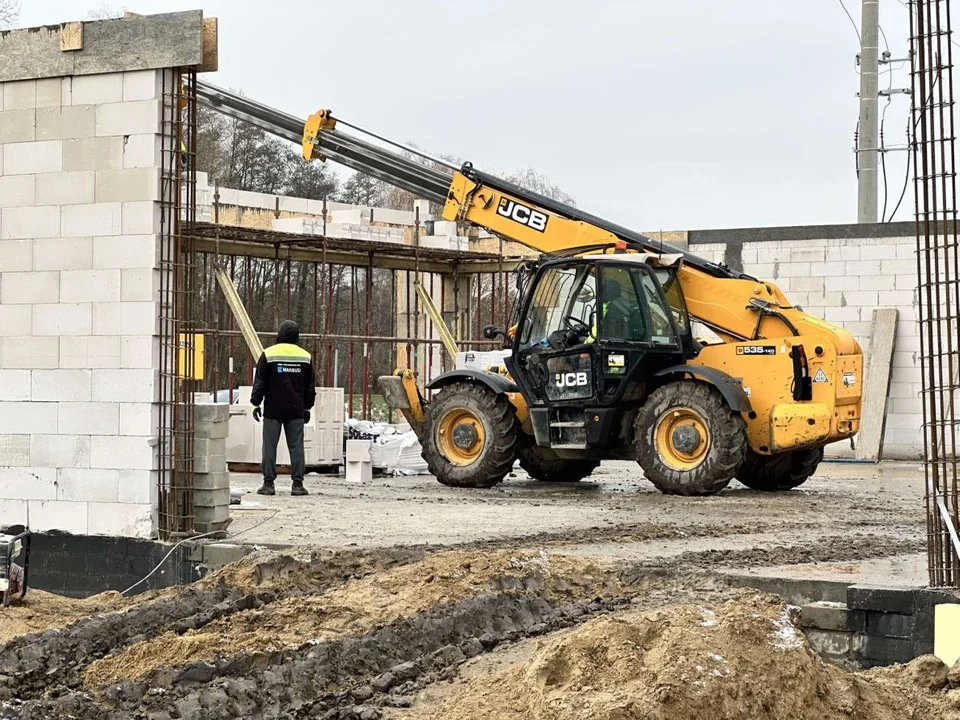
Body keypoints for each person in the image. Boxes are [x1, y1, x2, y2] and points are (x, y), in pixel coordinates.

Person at [250, 320, 316, 496]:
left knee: (269, 447)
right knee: (296, 447)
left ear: (279, 334)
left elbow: (260, 382)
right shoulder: (305, 357)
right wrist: (307, 407)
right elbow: (310, 387)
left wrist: (256, 403)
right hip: (296, 410)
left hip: (273, 409)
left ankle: (268, 484)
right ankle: (297, 485)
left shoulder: (268, 354)